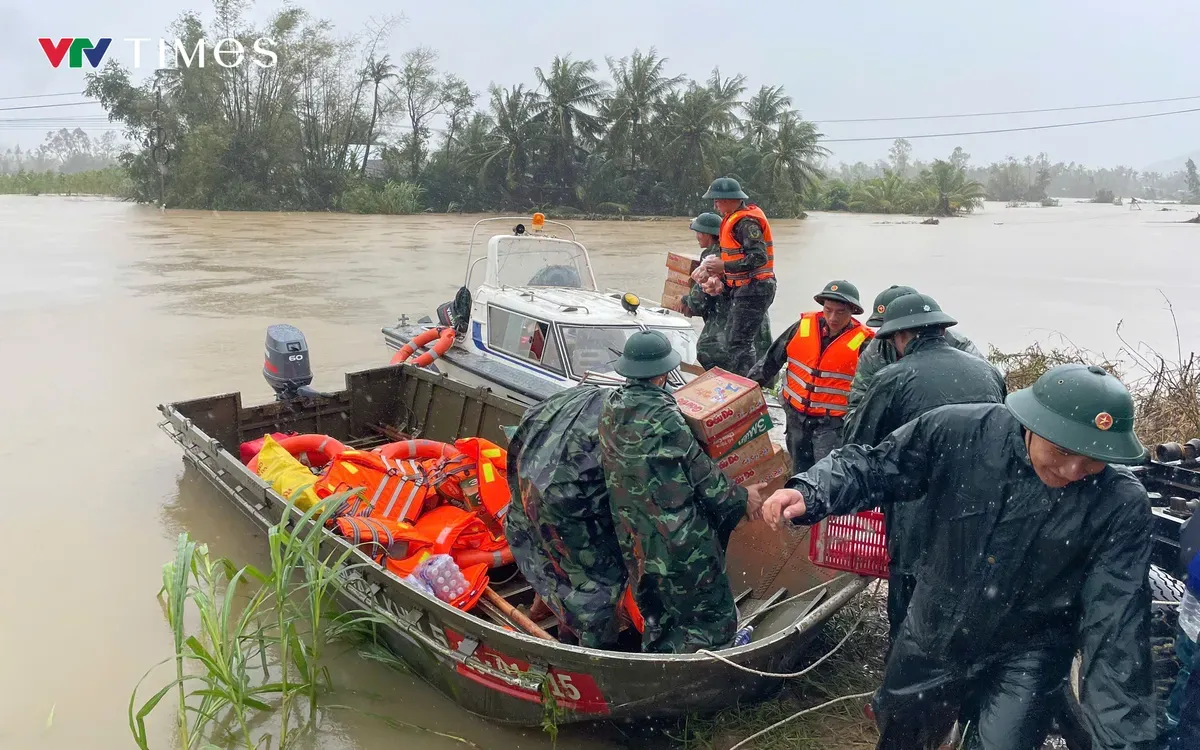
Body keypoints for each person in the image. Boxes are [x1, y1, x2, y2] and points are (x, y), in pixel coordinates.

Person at [760, 363, 1155, 750]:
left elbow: (1117, 629)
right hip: (934, 627)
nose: (1072, 470)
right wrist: (812, 491)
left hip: (1029, 651)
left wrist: (1122, 741)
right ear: (1032, 424)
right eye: (1062, 450)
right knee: (904, 734)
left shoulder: (1120, 504)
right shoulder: (961, 431)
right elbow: (876, 466)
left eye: (1092, 460)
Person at [842, 292, 1008, 643]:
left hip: (917, 507)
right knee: (968, 588)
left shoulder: (893, 377)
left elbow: (857, 444)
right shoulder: (989, 372)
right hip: (983, 505)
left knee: (910, 589)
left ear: (901, 336)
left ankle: (903, 669)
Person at [598, 329, 765, 653]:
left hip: (634, 537)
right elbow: (708, 482)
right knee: (711, 613)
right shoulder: (667, 418)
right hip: (679, 540)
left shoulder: (610, 408)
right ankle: (716, 662)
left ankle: (659, 662)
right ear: (662, 374)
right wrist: (745, 498)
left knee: (657, 612)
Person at [503, 384, 627, 649]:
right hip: (563, 515)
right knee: (598, 591)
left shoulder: (566, 401)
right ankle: (588, 652)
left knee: (550, 565)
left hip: (526, 511)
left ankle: (544, 612)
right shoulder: (622, 427)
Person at [747, 280, 873, 474]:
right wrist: (746, 389)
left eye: (840, 312)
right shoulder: (803, 327)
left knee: (825, 475)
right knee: (799, 471)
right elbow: (771, 360)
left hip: (831, 425)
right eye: (828, 310)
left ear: (852, 312)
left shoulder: (865, 343)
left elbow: (875, 387)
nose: (833, 317)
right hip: (796, 417)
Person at [845, 284, 985, 425]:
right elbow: (858, 404)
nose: (889, 335)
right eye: (883, 327)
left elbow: (984, 388)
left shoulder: (959, 345)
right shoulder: (874, 353)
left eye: (894, 327)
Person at [689, 177, 776, 377]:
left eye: (717, 201)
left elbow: (758, 257)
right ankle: (743, 384)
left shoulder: (745, 222)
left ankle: (744, 386)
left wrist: (724, 266)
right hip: (745, 288)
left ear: (728, 199)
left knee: (739, 344)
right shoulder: (733, 219)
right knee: (735, 341)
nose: (715, 205)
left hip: (756, 288)